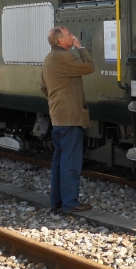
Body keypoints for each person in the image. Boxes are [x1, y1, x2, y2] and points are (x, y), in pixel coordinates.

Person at [40, 26, 95, 214]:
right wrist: (81, 48)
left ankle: (56, 201)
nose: (72, 36)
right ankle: (70, 203)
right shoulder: (64, 57)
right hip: (70, 117)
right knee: (70, 162)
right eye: (68, 35)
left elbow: (43, 88)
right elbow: (89, 66)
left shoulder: (48, 59)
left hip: (58, 116)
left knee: (59, 161)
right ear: (60, 41)